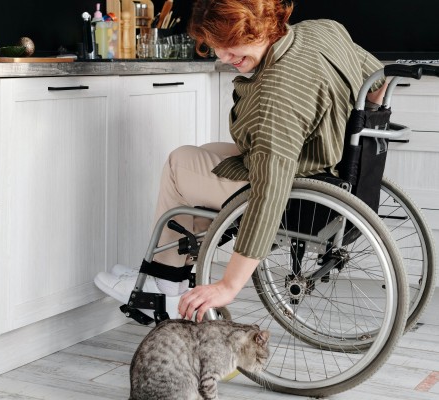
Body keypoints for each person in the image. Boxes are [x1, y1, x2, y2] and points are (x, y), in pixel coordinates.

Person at [95, 0, 387, 323]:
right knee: (202, 154)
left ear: (257, 26)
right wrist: (350, 140)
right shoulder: (323, 31)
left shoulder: (276, 95)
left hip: (297, 195)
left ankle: (165, 282)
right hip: (332, 172)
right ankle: (173, 267)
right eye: (215, 46)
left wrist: (228, 285)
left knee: (179, 166)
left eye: (229, 43)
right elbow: (377, 83)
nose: (222, 56)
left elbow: (269, 195)